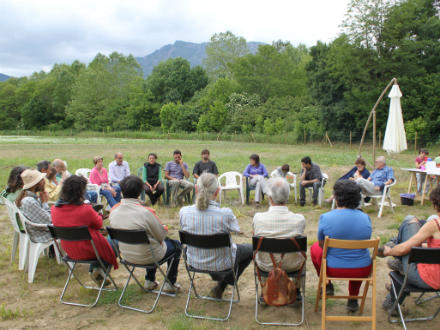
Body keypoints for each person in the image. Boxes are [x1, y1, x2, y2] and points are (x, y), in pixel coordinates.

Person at [180, 173, 253, 299]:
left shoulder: (184, 212)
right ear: (217, 191)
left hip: (194, 261)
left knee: (208, 248)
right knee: (251, 249)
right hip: (223, 263)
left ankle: (219, 278)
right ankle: (222, 283)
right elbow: (236, 229)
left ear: (196, 189)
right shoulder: (225, 214)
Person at [110, 175, 181, 293]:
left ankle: (150, 281)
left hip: (127, 256)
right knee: (176, 245)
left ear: (121, 191)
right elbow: (161, 236)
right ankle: (170, 283)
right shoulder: (145, 212)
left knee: (149, 240)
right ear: (140, 191)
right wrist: (163, 228)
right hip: (149, 256)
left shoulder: (113, 212)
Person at [311, 180, 372, 312]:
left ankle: (327, 284)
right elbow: (365, 240)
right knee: (358, 253)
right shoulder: (365, 218)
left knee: (315, 248)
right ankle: (353, 297)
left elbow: (322, 245)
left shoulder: (326, 218)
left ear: (336, 197)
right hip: (362, 270)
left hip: (333, 269)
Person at [381, 186, 440, 314]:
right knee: (412, 247)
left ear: (436, 205)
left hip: (427, 279)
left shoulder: (435, 224)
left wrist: (388, 251)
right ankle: (399, 262)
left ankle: (395, 252)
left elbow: (403, 249)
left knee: (410, 220)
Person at [51, 175, 118, 285]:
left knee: (101, 240)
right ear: (80, 192)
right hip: (89, 250)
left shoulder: (54, 209)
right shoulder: (85, 210)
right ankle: (97, 269)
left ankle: (98, 271)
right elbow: (98, 223)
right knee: (114, 240)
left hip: (70, 250)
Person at [253, 177, 306, 299]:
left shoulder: (258, 218)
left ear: (269, 197)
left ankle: (265, 287)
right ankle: (296, 289)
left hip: (266, 265)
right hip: (292, 265)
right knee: (302, 257)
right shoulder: (299, 219)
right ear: (287, 196)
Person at [16, 169, 52, 243]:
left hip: (38, 231)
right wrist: (45, 203)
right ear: (36, 184)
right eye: (42, 180)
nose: (44, 181)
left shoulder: (28, 197)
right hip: (42, 235)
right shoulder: (30, 201)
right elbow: (49, 221)